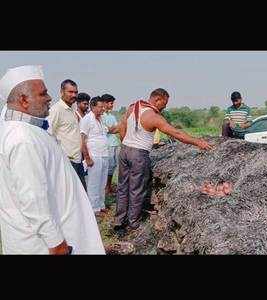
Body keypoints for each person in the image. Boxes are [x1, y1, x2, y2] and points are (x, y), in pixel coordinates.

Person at [0, 65, 105, 254]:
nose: (49, 98)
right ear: (24, 100)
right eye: (43, 93)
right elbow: (32, 197)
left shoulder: (28, 130)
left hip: (54, 233)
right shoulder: (22, 138)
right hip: (42, 244)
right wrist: (56, 242)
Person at [114, 88, 212, 237]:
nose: (164, 107)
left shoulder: (133, 107)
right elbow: (176, 133)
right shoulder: (153, 116)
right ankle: (133, 223)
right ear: (157, 99)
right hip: (139, 154)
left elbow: (122, 127)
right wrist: (198, 142)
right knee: (136, 189)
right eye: (164, 104)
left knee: (122, 187)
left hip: (125, 151)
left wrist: (125, 144)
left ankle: (119, 222)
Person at [47, 79, 87, 191]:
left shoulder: (72, 109)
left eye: (75, 92)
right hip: (66, 160)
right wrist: (60, 155)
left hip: (77, 159)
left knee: (80, 194)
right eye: (70, 92)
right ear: (61, 92)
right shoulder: (56, 110)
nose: (73, 95)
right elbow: (48, 135)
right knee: (70, 195)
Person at [80, 96, 110, 216]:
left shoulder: (101, 119)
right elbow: (82, 140)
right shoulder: (87, 119)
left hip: (104, 155)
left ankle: (101, 205)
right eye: (100, 106)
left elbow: (108, 131)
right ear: (92, 106)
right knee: (93, 183)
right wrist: (87, 157)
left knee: (102, 182)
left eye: (103, 106)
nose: (103, 109)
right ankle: (94, 209)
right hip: (94, 156)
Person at [101, 93, 121, 196]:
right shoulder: (100, 116)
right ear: (104, 103)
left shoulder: (112, 116)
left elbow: (117, 129)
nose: (112, 105)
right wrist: (112, 129)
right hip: (107, 145)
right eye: (110, 103)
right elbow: (106, 130)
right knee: (106, 167)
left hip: (115, 144)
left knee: (113, 167)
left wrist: (112, 129)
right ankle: (105, 189)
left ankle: (108, 188)